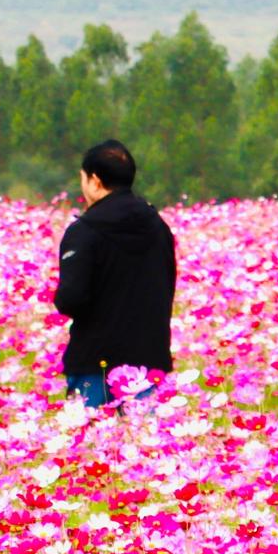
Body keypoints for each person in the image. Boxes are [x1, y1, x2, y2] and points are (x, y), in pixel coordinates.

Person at [50, 139, 176, 408]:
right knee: (143, 434)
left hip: (95, 362)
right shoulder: (158, 227)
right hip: (148, 361)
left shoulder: (84, 231)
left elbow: (71, 299)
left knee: (92, 434)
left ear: (94, 181)